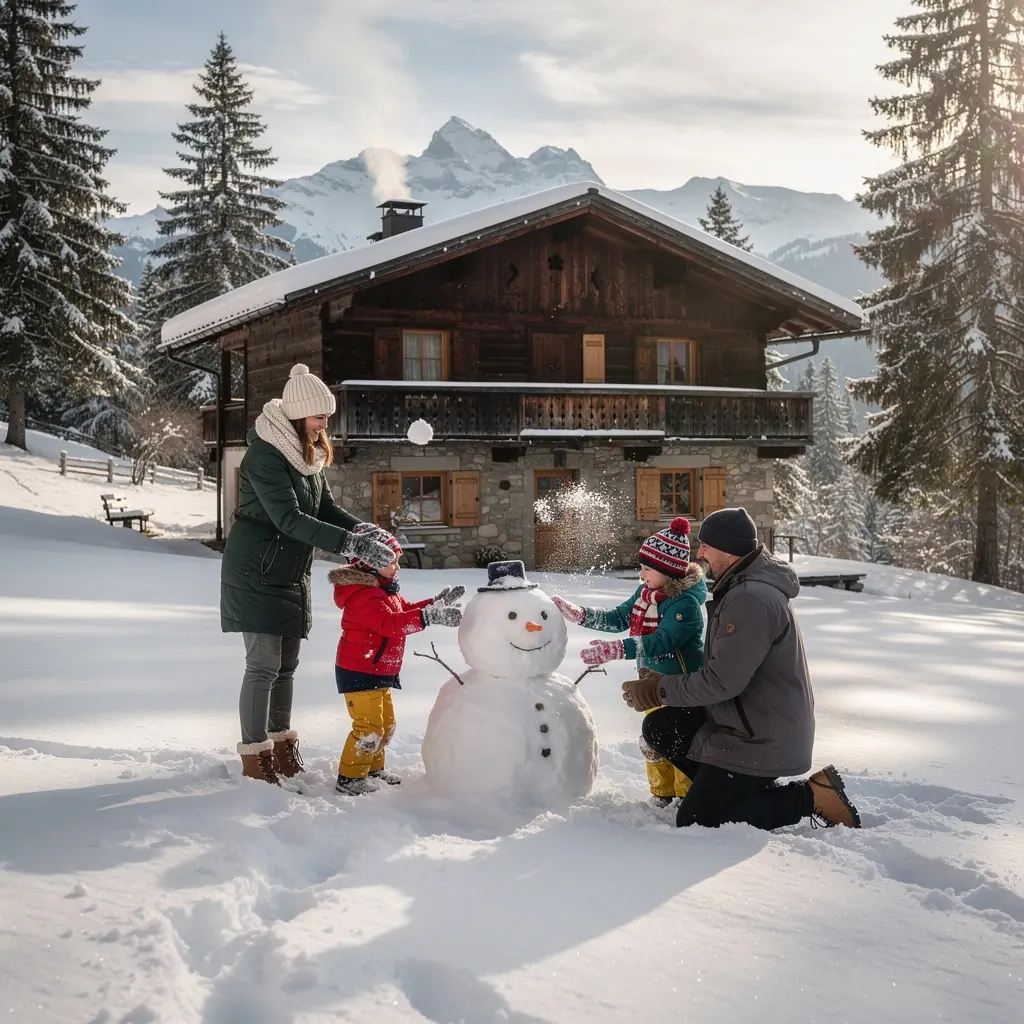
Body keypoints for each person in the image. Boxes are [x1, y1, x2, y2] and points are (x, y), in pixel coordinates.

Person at [621, 507, 861, 830]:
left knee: (698, 818)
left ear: (728, 550)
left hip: (761, 738)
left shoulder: (750, 599)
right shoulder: (741, 587)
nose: (700, 553)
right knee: (660, 726)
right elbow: (725, 671)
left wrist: (659, 689)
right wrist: (664, 682)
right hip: (742, 722)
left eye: (706, 545)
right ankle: (734, 788)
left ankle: (810, 797)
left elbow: (721, 682)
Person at [221, 363, 396, 785]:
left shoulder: (309, 453)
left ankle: (281, 749)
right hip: (256, 570)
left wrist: (363, 529)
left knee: (287, 666)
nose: (324, 425)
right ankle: (255, 758)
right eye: (319, 417)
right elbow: (288, 518)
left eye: (326, 418)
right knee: (262, 665)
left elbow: (325, 510)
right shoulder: (266, 453)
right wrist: (352, 547)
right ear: (299, 414)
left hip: (289, 572)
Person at [552, 517, 707, 806]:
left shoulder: (684, 604)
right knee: (652, 743)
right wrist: (582, 615)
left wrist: (618, 650)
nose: (641, 573)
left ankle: (689, 797)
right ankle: (662, 795)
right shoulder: (646, 594)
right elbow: (619, 617)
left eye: (647, 568)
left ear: (668, 571)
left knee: (680, 744)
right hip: (653, 685)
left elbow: (662, 641)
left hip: (683, 688)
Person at [329, 527, 464, 795]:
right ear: (371, 565)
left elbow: (406, 610)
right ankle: (350, 778)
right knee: (369, 727)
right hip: (359, 670)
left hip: (377, 668)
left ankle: (372, 769)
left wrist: (433, 604)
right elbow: (391, 624)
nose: (396, 567)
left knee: (386, 725)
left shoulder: (384, 590)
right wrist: (429, 618)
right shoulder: (363, 596)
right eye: (392, 562)